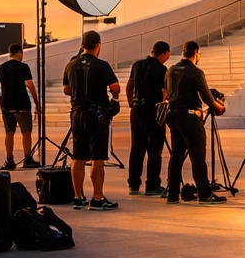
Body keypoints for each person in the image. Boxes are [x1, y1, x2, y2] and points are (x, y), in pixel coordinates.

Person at [63, 29, 121, 210]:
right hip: (97, 115)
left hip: (77, 114)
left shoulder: (71, 65)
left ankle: (78, 197)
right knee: (97, 158)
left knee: (78, 157)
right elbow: (115, 86)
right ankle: (97, 197)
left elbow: (66, 89)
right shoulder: (102, 65)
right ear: (98, 46)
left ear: (82, 45)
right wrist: (114, 96)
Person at [164, 39, 226, 205]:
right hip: (190, 117)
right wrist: (218, 106)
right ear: (196, 53)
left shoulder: (170, 70)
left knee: (176, 157)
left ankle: (172, 195)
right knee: (197, 157)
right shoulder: (195, 72)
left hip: (173, 117)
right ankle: (205, 194)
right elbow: (207, 97)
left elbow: (166, 93)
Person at [127, 41, 170, 198]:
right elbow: (164, 92)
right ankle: (152, 185)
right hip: (152, 111)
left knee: (136, 148)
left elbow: (129, 85)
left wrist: (131, 102)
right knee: (154, 149)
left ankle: (133, 184)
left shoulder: (137, 65)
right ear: (164, 53)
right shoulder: (161, 69)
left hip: (137, 109)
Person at [0, 43, 39, 170]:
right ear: (19, 52)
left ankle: (9, 159)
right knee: (26, 132)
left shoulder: (0, 67)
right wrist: (36, 103)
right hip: (22, 104)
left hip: (7, 105)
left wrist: (0, 101)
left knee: (9, 133)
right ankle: (27, 158)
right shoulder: (23, 67)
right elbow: (30, 85)